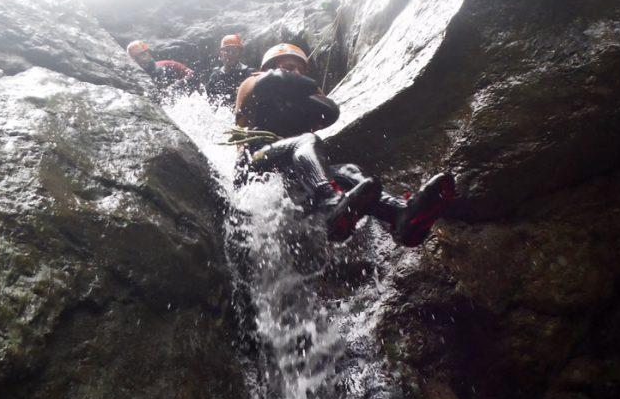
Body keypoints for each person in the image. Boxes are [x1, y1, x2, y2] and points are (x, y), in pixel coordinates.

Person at [234, 43, 456, 245]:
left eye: (301, 70)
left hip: (295, 175)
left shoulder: (303, 100)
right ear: (271, 65)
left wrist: (304, 90)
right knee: (307, 140)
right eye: (291, 67)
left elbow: (329, 109)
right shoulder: (253, 82)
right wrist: (299, 85)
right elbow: (267, 85)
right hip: (257, 159)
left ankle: (399, 214)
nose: (297, 73)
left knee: (350, 171)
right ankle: (329, 200)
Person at [126, 40, 200, 101]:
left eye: (143, 54)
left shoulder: (168, 65)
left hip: (183, 99)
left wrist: (173, 88)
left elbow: (192, 75)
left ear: (148, 53)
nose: (142, 59)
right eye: (137, 57)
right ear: (134, 60)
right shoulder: (136, 79)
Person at [206, 33, 253, 106]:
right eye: (227, 51)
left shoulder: (250, 74)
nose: (230, 54)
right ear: (221, 54)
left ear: (240, 53)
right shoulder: (215, 77)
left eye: (234, 51)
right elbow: (210, 102)